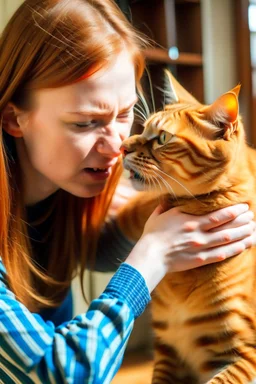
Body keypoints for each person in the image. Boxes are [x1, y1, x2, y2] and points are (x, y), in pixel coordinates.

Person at [0, 1, 255, 383]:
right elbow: (61, 374)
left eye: (125, 114)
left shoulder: (62, 191)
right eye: (86, 122)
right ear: (13, 117)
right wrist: (153, 256)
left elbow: (105, 243)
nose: (120, 144)